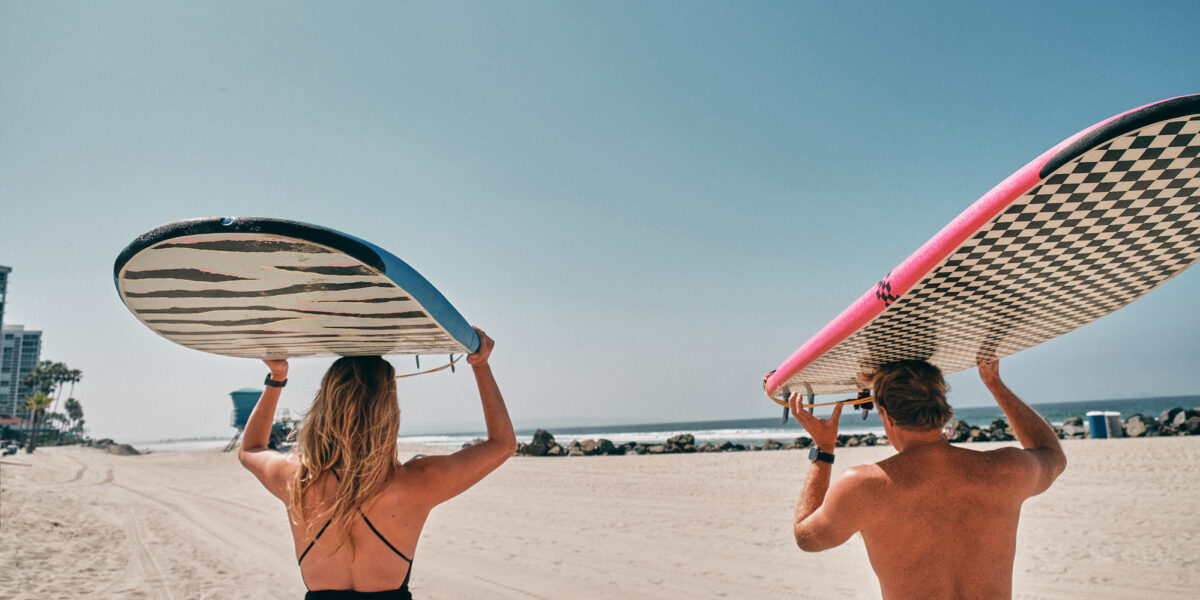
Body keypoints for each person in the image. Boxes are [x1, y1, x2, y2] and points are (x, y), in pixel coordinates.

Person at [238, 327, 516, 599]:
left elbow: (251, 448)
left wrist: (277, 378)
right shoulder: (419, 481)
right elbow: (503, 444)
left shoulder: (297, 478)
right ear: (388, 410)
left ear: (325, 406)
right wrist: (481, 366)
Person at [787, 358, 1066, 599]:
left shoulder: (864, 486)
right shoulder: (1005, 470)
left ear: (885, 415)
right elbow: (1052, 455)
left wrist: (824, 449)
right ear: (942, 407)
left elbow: (807, 538)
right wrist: (995, 384)